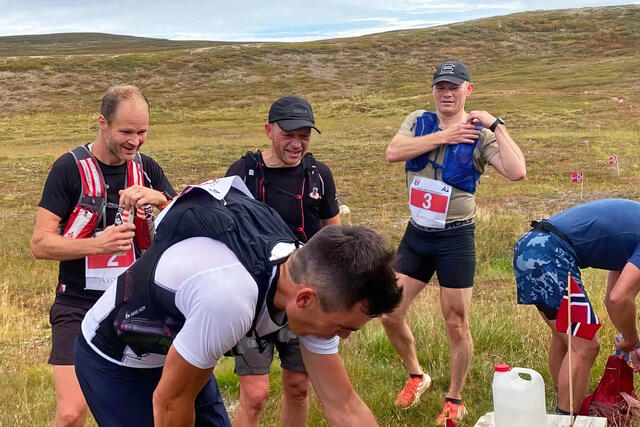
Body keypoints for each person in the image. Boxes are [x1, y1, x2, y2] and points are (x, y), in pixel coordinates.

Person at [73, 177, 402, 427]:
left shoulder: (313, 278)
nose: (341, 337)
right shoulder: (229, 299)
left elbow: (343, 405)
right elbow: (170, 401)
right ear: (305, 299)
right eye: (343, 328)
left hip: (179, 345)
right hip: (115, 359)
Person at [382, 60, 526, 423]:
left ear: (468, 90)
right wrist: (445, 136)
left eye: (454, 87)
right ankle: (417, 376)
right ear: (433, 90)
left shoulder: (481, 135)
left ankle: (455, 397)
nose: (447, 93)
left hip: (456, 237)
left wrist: (496, 125)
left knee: (456, 321)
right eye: (441, 87)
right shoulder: (418, 121)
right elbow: (393, 152)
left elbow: (516, 171)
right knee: (389, 311)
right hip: (417, 234)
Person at [30, 85, 176, 427]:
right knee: (70, 414)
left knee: (153, 406)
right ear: (102, 123)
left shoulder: (147, 168)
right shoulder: (68, 169)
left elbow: (184, 223)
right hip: (77, 303)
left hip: (134, 303)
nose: (135, 141)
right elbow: (40, 244)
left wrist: (158, 197)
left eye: (142, 133)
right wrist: (99, 245)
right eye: (126, 132)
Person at [225, 96, 340, 426]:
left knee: (298, 386)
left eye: (304, 135)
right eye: (288, 134)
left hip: (304, 295)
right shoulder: (243, 173)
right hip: (253, 298)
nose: (297, 143)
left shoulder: (319, 175)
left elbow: (335, 238)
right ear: (268, 131)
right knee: (255, 394)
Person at [514, 198, 640, 415]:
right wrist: (632, 340)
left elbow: (612, 297)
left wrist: (627, 340)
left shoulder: (632, 234)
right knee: (585, 346)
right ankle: (565, 418)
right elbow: (620, 299)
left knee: (565, 335)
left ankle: (562, 399)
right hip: (551, 253)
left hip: (530, 246)